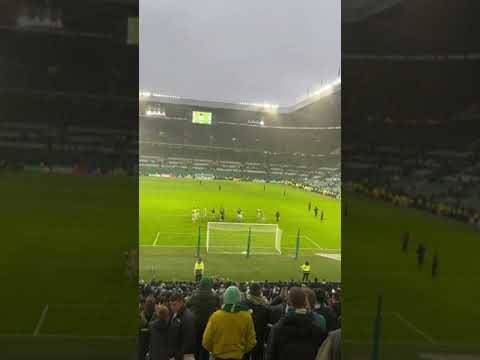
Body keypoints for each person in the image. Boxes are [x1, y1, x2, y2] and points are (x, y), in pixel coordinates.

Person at [266, 287, 326, 360]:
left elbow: (270, 356)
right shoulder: (317, 328)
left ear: (288, 302)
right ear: (305, 303)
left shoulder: (277, 328)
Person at [202, 286, 257, 360]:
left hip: (219, 356)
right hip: (238, 356)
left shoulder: (216, 316)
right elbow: (252, 341)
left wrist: (215, 350)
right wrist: (241, 351)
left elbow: (206, 341)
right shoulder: (246, 316)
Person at [187, 278, 220, 360]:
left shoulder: (194, 295)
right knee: (205, 348)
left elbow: (187, 305)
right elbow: (219, 308)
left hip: (196, 325)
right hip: (208, 325)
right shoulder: (214, 296)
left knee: (197, 347)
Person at [245, 283, 270, 360]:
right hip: (259, 335)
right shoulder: (265, 304)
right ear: (259, 291)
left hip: (248, 335)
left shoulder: (245, 302)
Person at [169, 293, 196, 360]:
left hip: (184, 355)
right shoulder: (176, 314)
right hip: (178, 353)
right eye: (171, 305)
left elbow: (188, 340)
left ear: (181, 302)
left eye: (174, 304)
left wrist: (178, 355)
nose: (172, 307)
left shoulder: (187, 317)